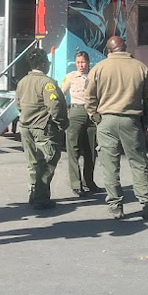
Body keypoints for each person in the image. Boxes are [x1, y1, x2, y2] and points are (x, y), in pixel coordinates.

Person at [84, 35, 148, 221]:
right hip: (131, 120)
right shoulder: (141, 67)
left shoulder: (99, 68)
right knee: (138, 163)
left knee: (110, 165)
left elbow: (89, 97)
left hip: (106, 120)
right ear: (124, 47)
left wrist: (95, 116)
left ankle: (115, 206)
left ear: (108, 50)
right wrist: (145, 121)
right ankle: (147, 205)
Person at [15, 48, 69, 209]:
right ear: (44, 64)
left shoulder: (22, 81)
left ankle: (33, 191)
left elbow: (18, 103)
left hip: (25, 127)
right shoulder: (47, 83)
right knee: (46, 162)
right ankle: (41, 198)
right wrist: (61, 123)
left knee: (32, 162)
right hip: (43, 127)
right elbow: (55, 105)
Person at [60, 51, 100, 195]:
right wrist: (63, 113)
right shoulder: (70, 77)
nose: (81, 65)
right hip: (76, 112)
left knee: (91, 150)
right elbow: (60, 95)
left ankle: (89, 181)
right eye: (78, 62)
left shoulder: (95, 75)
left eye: (83, 62)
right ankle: (76, 184)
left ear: (88, 62)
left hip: (92, 113)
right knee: (73, 149)